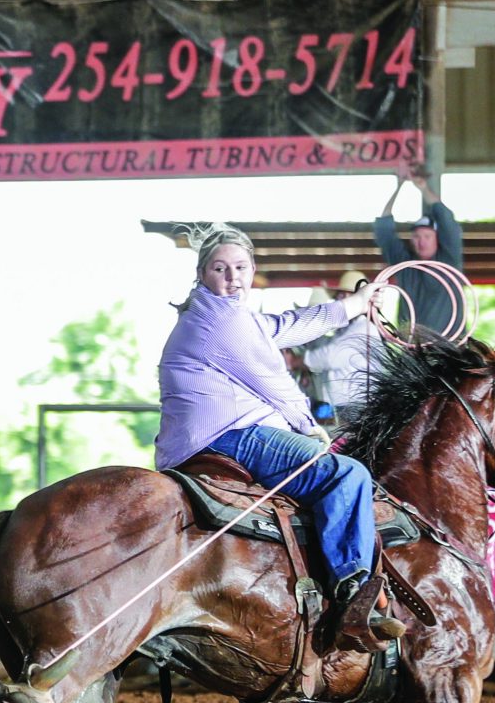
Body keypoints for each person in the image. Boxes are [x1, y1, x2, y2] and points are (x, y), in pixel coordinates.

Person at [155, 224, 406, 655]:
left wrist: (356, 306)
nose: (232, 277)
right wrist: (310, 426)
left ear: (252, 270)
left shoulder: (220, 314)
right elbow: (275, 382)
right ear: (203, 274)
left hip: (210, 435)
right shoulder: (225, 321)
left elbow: (286, 326)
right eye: (220, 268)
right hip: (229, 436)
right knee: (346, 474)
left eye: (239, 267)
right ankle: (352, 590)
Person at [374, 168, 468, 341]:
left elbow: (447, 221)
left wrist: (423, 188)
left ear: (437, 239)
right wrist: (399, 186)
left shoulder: (449, 260)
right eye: (416, 236)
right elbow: (384, 229)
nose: (421, 241)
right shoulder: (404, 263)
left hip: (451, 348)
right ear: (411, 240)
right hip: (412, 347)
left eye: (427, 236)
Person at [300, 268, 385, 425]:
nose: (343, 299)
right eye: (341, 295)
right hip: (345, 407)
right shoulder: (347, 329)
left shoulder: (363, 328)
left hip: (356, 407)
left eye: (348, 295)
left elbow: (329, 357)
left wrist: (297, 361)